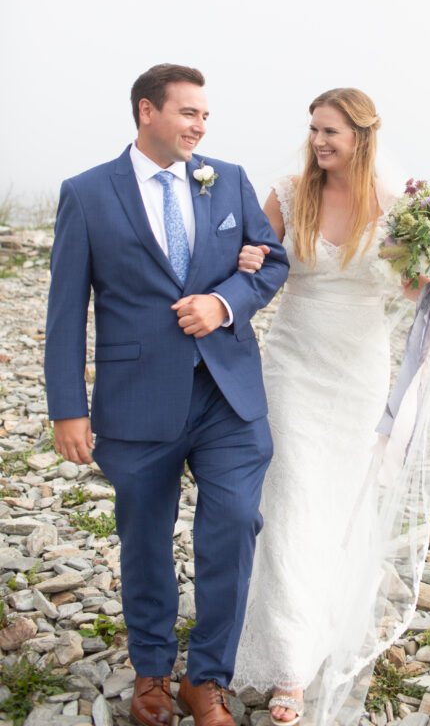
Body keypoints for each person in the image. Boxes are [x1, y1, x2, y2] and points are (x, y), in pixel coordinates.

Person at [44, 64, 289, 726]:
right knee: (145, 539)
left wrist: (223, 301)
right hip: (135, 401)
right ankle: (152, 671)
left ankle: (206, 678)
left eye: (205, 115)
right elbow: (66, 309)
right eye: (188, 112)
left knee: (234, 523)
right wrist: (68, 407)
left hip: (227, 396)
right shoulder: (88, 193)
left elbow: (271, 262)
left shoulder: (228, 179)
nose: (200, 125)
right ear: (147, 111)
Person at [231, 88, 430, 725]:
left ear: (362, 136)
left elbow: (414, 285)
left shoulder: (397, 210)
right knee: (289, 502)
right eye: (313, 129)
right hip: (292, 367)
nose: (319, 141)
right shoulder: (286, 192)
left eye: (331, 131)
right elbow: (251, 268)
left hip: (357, 375)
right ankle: (288, 668)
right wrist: (250, 257)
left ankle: (320, 629)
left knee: (335, 506)